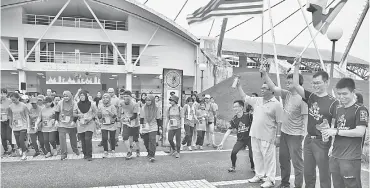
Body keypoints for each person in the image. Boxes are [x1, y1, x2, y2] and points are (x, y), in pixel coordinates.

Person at [292, 57, 338, 188]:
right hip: (309, 140)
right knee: (308, 173)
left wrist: (333, 145)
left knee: (324, 175)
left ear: (326, 83)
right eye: (314, 83)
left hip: (323, 142)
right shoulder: (311, 97)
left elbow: (336, 126)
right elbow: (296, 85)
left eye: (318, 83)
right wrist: (297, 66)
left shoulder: (333, 102)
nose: (315, 86)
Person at [261, 66, 307, 188]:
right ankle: (285, 183)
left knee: (297, 163)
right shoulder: (287, 94)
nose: (287, 84)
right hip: (284, 133)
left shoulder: (303, 99)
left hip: (296, 136)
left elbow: (306, 119)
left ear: (297, 83)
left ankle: (298, 186)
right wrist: (265, 74)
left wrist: (304, 137)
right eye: (287, 82)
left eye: (290, 82)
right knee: (283, 159)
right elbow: (273, 88)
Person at [322, 78, 368, 188]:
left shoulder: (361, 109)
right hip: (335, 157)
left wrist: (336, 131)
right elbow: (337, 130)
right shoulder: (338, 109)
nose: (341, 97)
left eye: (345, 94)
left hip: (350, 159)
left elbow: (360, 132)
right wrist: (329, 139)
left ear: (353, 92)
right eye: (339, 94)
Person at [237, 77, 283, 188]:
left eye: (265, 88)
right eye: (261, 88)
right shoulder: (257, 100)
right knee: (257, 157)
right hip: (255, 134)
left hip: (268, 136)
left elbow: (279, 121)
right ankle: (259, 175)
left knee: (269, 159)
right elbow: (244, 97)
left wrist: (278, 136)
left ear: (271, 90)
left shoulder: (277, 104)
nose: (262, 90)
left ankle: (270, 179)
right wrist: (239, 86)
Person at [218, 100, 254, 173]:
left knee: (251, 155)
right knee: (233, 152)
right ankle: (233, 166)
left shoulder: (249, 116)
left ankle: (253, 167)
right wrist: (222, 142)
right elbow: (228, 131)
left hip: (250, 139)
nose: (234, 108)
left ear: (241, 107)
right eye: (233, 107)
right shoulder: (234, 119)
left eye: (236, 107)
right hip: (241, 140)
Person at [54, 91, 80, 160]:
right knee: (62, 139)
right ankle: (63, 153)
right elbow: (56, 112)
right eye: (64, 96)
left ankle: (75, 149)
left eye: (67, 96)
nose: (65, 98)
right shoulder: (60, 103)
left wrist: (74, 121)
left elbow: (76, 113)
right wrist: (56, 120)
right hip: (62, 123)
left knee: (73, 138)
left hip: (71, 123)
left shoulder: (74, 103)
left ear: (70, 96)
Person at [75, 90, 97, 161]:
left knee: (88, 139)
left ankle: (89, 155)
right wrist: (79, 115)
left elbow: (95, 112)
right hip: (81, 124)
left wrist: (90, 118)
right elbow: (74, 113)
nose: (82, 97)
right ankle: (85, 154)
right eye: (80, 96)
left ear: (86, 96)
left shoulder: (91, 104)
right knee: (83, 140)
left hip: (90, 123)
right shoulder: (77, 104)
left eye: (83, 95)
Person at [8, 93, 30, 160]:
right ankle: (21, 148)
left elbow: (27, 116)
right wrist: (10, 123)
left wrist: (28, 126)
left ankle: (24, 153)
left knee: (21, 140)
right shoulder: (10, 106)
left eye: (14, 99)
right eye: (12, 100)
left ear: (18, 98)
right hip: (15, 126)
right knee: (17, 141)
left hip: (23, 125)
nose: (13, 101)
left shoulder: (24, 106)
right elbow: (10, 116)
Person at [140, 95, 162, 162]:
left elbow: (158, 119)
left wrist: (159, 128)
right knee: (146, 141)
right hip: (145, 125)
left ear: (152, 101)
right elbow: (141, 118)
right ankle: (149, 152)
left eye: (149, 100)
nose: (148, 101)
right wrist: (141, 128)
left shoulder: (157, 108)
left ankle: (152, 155)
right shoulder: (143, 108)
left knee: (152, 140)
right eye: (146, 100)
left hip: (153, 126)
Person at [119, 90, 140, 160]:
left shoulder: (135, 104)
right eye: (124, 96)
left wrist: (128, 119)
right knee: (125, 137)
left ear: (130, 97)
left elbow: (135, 115)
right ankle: (129, 151)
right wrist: (121, 118)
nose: (126, 97)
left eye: (127, 96)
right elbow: (121, 112)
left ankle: (137, 149)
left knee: (135, 139)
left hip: (135, 123)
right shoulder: (121, 103)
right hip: (126, 123)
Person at [97, 93, 117, 158]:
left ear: (109, 99)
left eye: (107, 97)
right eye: (104, 97)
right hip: (104, 124)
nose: (105, 99)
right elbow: (99, 117)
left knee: (112, 138)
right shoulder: (100, 106)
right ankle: (105, 151)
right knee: (104, 138)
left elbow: (115, 116)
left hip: (112, 124)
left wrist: (110, 112)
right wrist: (99, 113)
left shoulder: (112, 106)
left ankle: (113, 150)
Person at [1, 88, 14, 156]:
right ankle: (5, 149)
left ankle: (13, 148)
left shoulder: (9, 101)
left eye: (4, 93)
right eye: (1, 93)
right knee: (3, 137)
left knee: (9, 136)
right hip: (1, 121)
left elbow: (12, 110)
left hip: (8, 120)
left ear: (6, 94)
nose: (2, 95)